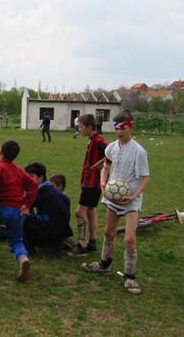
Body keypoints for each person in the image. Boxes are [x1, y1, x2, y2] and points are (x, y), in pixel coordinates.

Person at [82, 111, 150, 294]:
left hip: (131, 201)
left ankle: (130, 277)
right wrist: (103, 182)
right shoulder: (111, 147)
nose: (119, 132)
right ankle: (104, 265)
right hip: (113, 198)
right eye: (116, 128)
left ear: (131, 126)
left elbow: (145, 178)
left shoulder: (139, 151)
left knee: (129, 238)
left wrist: (134, 195)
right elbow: (106, 167)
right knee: (108, 232)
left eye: (123, 128)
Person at [0, 140, 38, 281]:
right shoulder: (18, 170)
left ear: (1, 152)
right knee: (17, 240)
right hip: (17, 211)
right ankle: (23, 258)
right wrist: (27, 205)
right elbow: (34, 185)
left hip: (0, 209)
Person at [68, 114, 108, 257]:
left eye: (81, 126)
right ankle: (92, 242)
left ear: (89, 127)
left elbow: (114, 153)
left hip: (93, 182)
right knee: (91, 210)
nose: (79, 128)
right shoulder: (92, 140)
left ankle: (81, 244)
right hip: (89, 181)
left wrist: (101, 163)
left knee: (80, 212)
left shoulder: (99, 140)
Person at [23, 163, 73, 254]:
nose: (28, 179)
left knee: (22, 217)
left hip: (52, 231)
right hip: (61, 231)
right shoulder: (51, 190)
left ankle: (31, 249)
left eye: (31, 176)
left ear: (41, 178)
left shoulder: (42, 190)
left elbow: (25, 203)